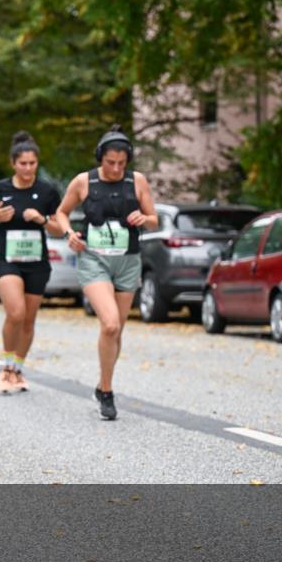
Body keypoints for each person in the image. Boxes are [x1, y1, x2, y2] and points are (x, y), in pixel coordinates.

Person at [54, 125, 158, 420]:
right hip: (94, 260)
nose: (115, 169)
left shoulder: (137, 181)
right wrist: (69, 234)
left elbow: (154, 219)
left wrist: (144, 217)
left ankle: (102, 385)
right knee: (110, 324)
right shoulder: (83, 181)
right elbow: (61, 212)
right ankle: (109, 393)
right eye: (110, 162)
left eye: (121, 163)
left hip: (128, 260)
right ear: (100, 157)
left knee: (117, 330)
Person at [0, 131, 61, 394]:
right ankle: (6, 367)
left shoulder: (47, 191)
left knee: (28, 320)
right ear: (13, 163)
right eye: (23, 163)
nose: (28, 168)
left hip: (37, 262)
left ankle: (17, 368)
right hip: (7, 259)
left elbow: (59, 229)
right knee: (15, 313)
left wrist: (41, 219)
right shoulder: (0, 188)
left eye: (32, 163)